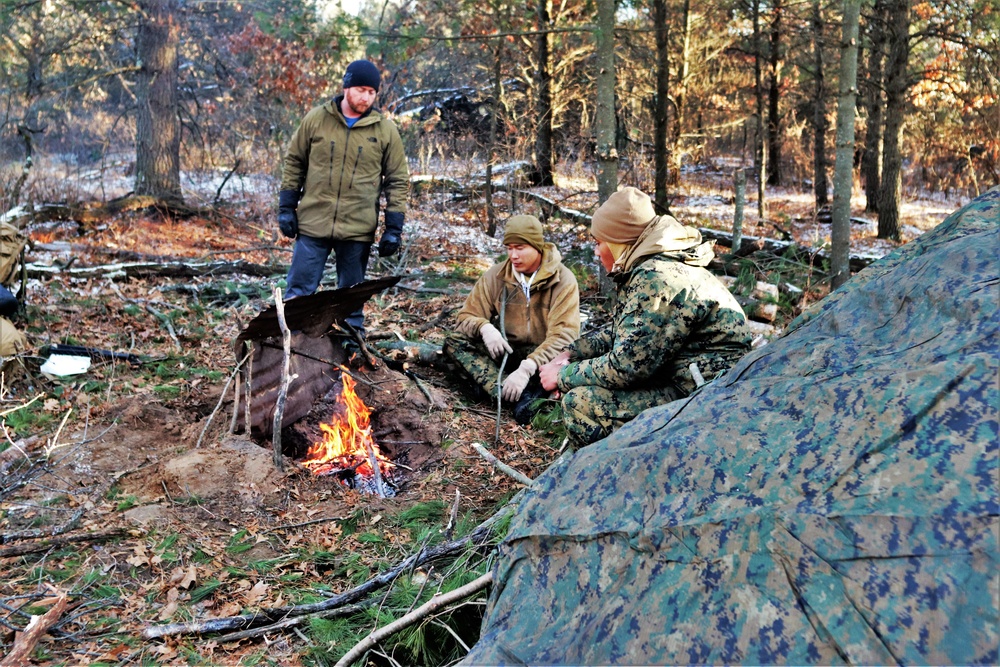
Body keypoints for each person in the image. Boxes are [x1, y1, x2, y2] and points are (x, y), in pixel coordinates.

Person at [539, 187, 752, 449]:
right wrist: (572, 353)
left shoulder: (657, 278)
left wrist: (562, 376)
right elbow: (625, 332)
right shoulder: (653, 265)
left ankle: (613, 478)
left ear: (619, 242)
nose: (596, 252)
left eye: (598, 243)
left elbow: (627, 366)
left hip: (708, 395)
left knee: (583, 403)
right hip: (693, 381)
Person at [277, 59, 409, 340]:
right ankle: (290, 348)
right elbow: (295, 163)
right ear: (346, 86)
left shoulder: (385, 131)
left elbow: (397, 180)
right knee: (299, 293)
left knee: (350, 300)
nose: (366, 97)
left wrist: (394, 228)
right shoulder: (316, 119)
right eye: (361, 89)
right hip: (313, 224)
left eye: (372, 92)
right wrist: (286, 207)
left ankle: (350, 352)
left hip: (357, 229)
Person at [445, 215, 581, 424]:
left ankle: (523, 392)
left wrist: (528, 367)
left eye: (520, 247)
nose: (513, 255)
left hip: (543, 358)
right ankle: (506, 392)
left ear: (537, 246)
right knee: (454, 341)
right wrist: (485, 327)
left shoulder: (562, 280)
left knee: (571, 362)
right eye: (509, 248)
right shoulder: (496, 276)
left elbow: (565, 336)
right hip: (507, 353)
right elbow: (464, 318)